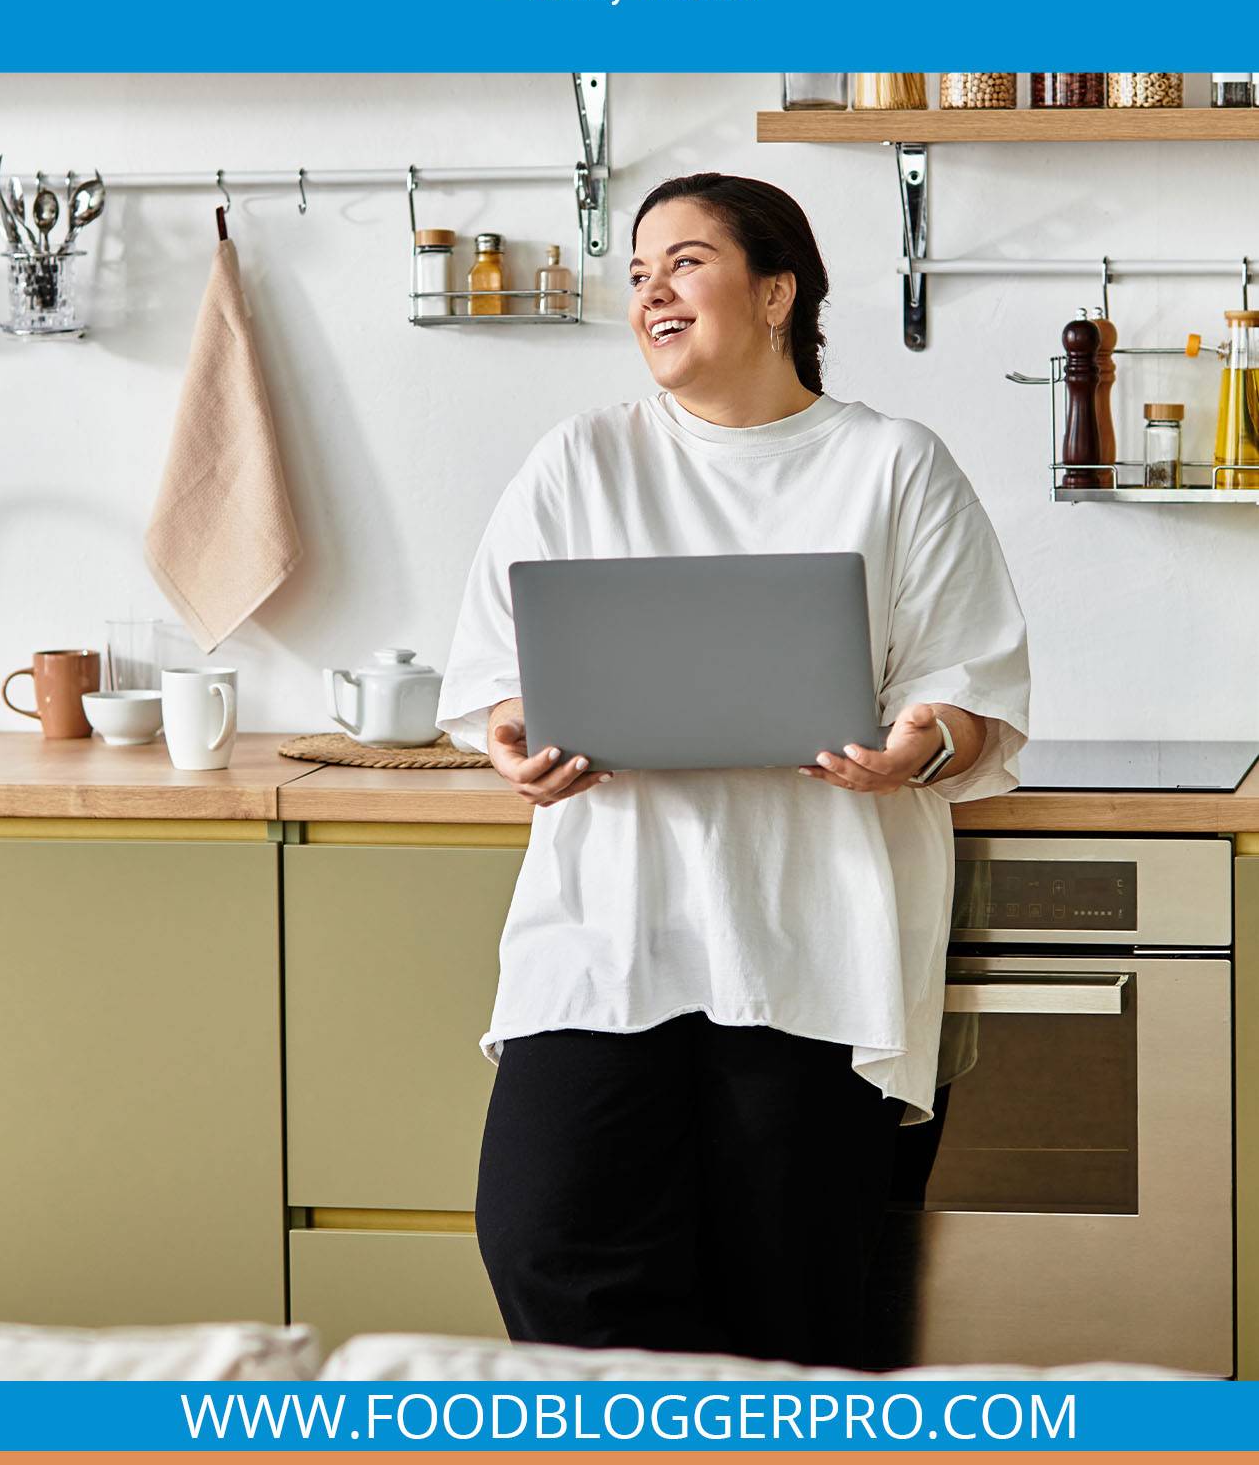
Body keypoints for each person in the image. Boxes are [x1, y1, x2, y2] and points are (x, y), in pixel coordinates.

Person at [436, 171, 1030, 1367]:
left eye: (687, 261)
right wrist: (512, 731)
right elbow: (490, 676)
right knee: (548, 1239)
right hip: (611, 927)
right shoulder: (580, 460)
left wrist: (918, 749)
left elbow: (972, 687)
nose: (653, 288)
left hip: (811, 932)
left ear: (775, 292)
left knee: (789, 1298)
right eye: (642, 269)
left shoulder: (892, 464)